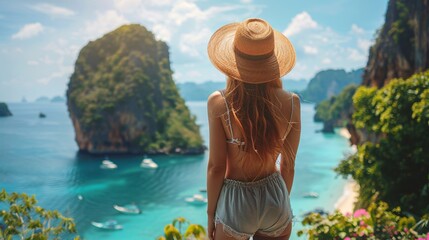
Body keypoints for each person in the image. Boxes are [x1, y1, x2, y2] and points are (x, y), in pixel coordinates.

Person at [206, 18, 301, 240]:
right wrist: (278, 201)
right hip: (275, 196)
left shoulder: (219, 103)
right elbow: (289, 166)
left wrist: (211, 214)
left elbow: (216, 167)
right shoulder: (292, 102)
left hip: (236, 201)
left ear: (233, 61)